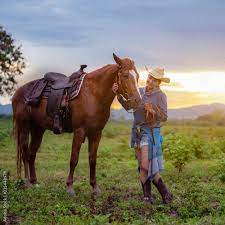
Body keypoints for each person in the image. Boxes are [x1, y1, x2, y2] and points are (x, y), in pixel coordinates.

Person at [112, 67, 173, 204]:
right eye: (149, 77)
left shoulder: (161, 96)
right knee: (142, 166)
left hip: (150, 132)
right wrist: (118, 95)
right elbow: (129, 106)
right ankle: (149, 197)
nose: (149, 80)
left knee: (146, 166)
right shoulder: (139, 92)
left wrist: (153, 110)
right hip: (137, 131)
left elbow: (164, 117)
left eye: (153, 79)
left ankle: (165, 194)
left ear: (158, 83)